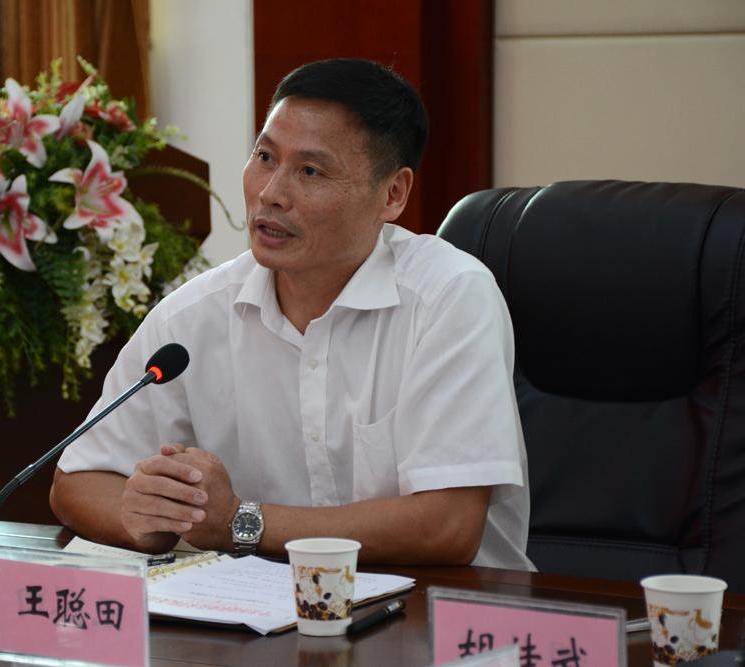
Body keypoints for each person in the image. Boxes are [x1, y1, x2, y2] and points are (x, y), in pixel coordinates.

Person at [50, 58, 533, 570]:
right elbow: (76, 482)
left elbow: (447, 526)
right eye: (264, 157)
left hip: (442, 609)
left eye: (310, 171)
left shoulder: (449, 296)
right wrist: (148, 517)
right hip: (263, 610)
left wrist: (238, 520)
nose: (271, 193)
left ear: (392, 194)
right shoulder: (192, 317)